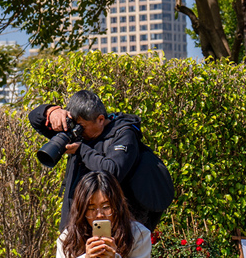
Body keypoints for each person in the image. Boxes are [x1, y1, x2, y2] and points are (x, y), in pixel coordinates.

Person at [29, 90, 173, 232]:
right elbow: (34, 119)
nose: (78, 132)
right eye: (76, 126)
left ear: (100, 119)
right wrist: (51, 111)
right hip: (76, 219)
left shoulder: (123, 134)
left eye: (82, 127)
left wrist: (81, 150)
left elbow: (111, 171)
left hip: (111, 224)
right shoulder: (80, 132)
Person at [56, 172, 151, 258]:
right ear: (82, 210)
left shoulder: (138, 235)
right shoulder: (67, 239)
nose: (99, 214)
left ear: (117, 206)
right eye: (91, 208)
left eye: (106, 207)